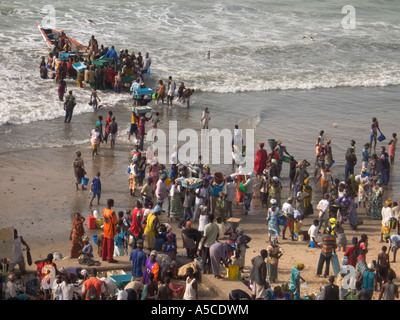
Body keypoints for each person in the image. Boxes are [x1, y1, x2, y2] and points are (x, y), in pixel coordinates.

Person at [102, 199, 118, 263]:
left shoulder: (104, 210)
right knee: (110, 246)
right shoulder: (112, 212)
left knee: (105, 244)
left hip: (105, 228)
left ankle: (103, 257)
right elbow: (115, 222)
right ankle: (110, 258)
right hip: (110, 230)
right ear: (111, 203)